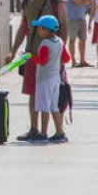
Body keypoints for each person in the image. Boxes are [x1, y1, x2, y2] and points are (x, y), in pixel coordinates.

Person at [8, 0, 68, 142]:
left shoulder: (55, 0)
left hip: (51, 56)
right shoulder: (27, 1)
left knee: (52, 94)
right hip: (32, 52)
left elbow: (63, 25)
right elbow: (23, 27)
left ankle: (56, 131)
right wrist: (13, 51)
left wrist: (62, 54)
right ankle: (35, 129)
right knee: (33, 92)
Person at [28, 15, 70, 143]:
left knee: (44, 106)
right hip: (55, 78)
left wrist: (30, 56)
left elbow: (42, 61)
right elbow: (66, 58)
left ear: (46, 30)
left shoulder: (45, 43)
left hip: (44, 79)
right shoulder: (60, 41)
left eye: (40, 28)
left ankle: (44, 133)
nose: (39, 31)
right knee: (54, 106)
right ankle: (60, 132)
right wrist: (56, 62)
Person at [64, 0, 93, 68]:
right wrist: (85, 0)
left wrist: (84, 0)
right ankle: (73, 60)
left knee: (83, 39)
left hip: (81, 17)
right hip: (72, 18)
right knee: (72, 39)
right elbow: (76, 1)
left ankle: (83, 60)